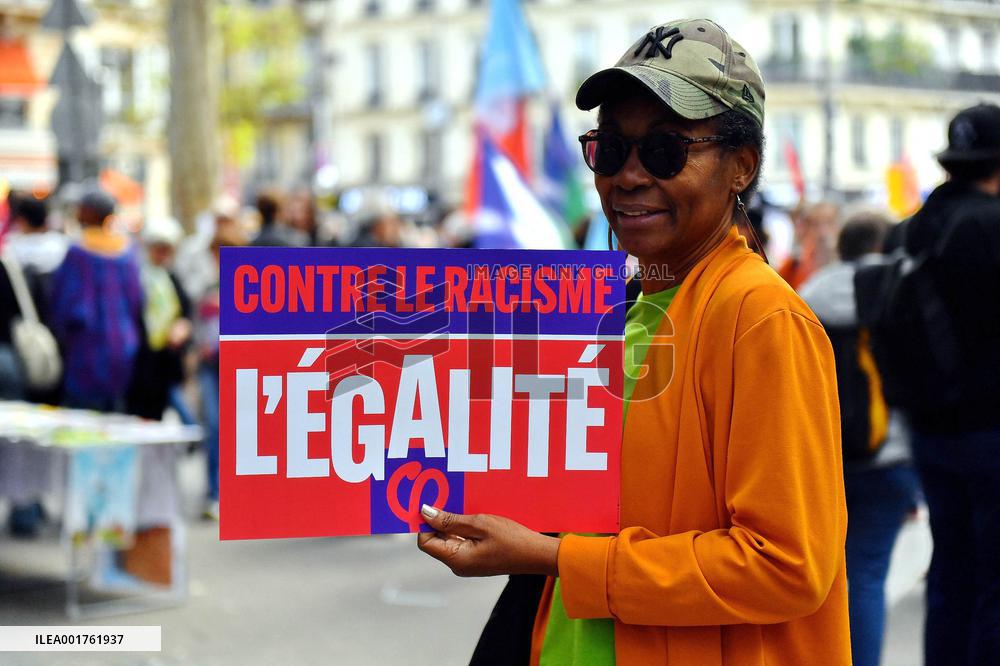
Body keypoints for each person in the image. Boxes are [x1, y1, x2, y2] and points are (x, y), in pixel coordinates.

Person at [417, 18, 850, 665]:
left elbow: (787, 566)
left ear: (742, 166)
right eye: (612, 149)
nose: (628, 176)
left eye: (666, 150)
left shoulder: (761, 318)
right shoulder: (616, 311)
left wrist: (550, 556)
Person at [890, 103, 1000, 665]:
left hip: (928, 424)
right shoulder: (991, 224)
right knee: (993, 583)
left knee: (950, 570)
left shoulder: (910, 228)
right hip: (989, 427)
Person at [799, 212, 921, 666]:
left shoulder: (808, 295)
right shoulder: (899, 290)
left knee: (827, 579)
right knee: (867, 575)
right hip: (890, 456)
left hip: (823, 457)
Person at [47, 188, 144, 412]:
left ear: (89, 212)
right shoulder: (127, 252)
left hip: (87, 350)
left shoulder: (78, 253)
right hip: (123, 347)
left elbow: (64, 304)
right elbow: (137, 300)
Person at [777, 201, 839, 290]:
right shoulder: (794, 265)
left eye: (829, 222)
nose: (823, 232)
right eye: (816, 224)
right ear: (807, 228)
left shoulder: (849, 263)